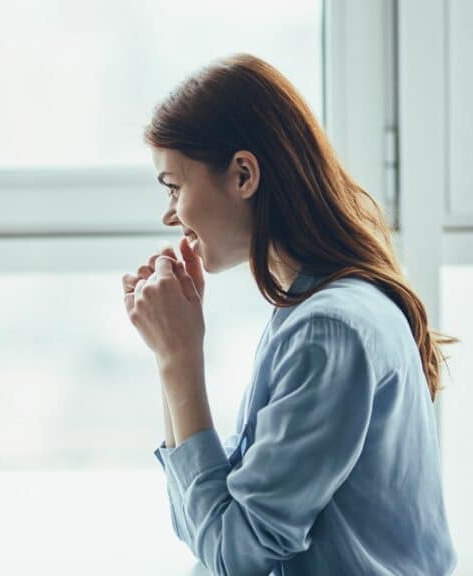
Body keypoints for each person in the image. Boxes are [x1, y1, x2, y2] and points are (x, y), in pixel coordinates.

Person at [122, 54, 455, 575]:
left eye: (174, 186)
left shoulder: (329, 331)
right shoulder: (314, 309)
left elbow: (235, 558)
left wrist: (178, 357)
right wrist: (171, 352)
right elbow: (204, 526)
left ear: (243, 175)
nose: (169, 213)